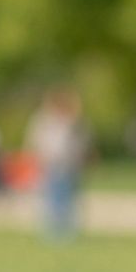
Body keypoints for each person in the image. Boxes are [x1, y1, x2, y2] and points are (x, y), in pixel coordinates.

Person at [24, 86, 88, 240]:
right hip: (51, 163)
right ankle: (53, 232)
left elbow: (81, 143)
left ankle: (66, 231)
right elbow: (36, 141)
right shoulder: (44, 120)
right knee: (52, 197)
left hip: (69, 164)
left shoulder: (73, 121)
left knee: (68, 198)